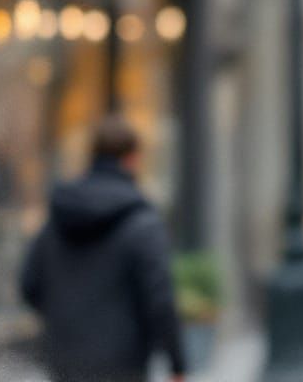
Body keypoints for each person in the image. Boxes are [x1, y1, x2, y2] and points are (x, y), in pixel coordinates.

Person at [20, 116, 185, 382]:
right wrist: (177, 364)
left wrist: (65, 321)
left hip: (64, 361)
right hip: (124, 364)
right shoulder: (142, 221)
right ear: (132, 159)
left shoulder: (59, 217)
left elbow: (29, 284)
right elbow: (160, 299)